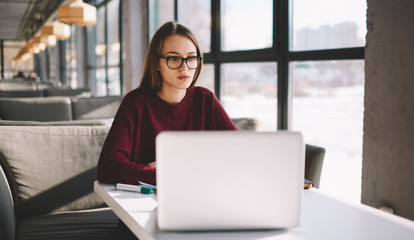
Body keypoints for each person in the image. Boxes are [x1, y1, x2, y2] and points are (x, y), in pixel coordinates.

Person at [97, 21, 237, 186]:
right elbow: (108, 167)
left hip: (198, 193)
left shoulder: (205, 99)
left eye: (191, 58)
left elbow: (237, 153)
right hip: (144, 201)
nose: (184, 68)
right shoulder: (136, 103)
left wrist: (174, 168)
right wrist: (166, 174)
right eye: (173, 58)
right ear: (157, 63)